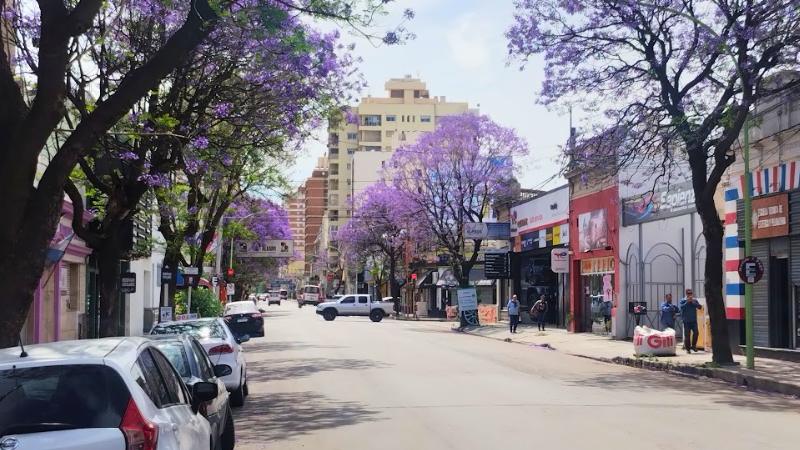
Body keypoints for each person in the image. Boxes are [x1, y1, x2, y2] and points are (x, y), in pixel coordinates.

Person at [679, 289, 702, 353]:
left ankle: (694, 346)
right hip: (686, 321)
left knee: (696, 333)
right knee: (687, 336)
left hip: (693, 321)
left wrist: (692, 302)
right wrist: (687, 302)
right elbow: (681, 307)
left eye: (691, 293)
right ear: (686, 294)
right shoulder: (683, 300)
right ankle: (688, 349)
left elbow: (699, 307)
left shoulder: (694, 300)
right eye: (688, 293)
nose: (690, 295)